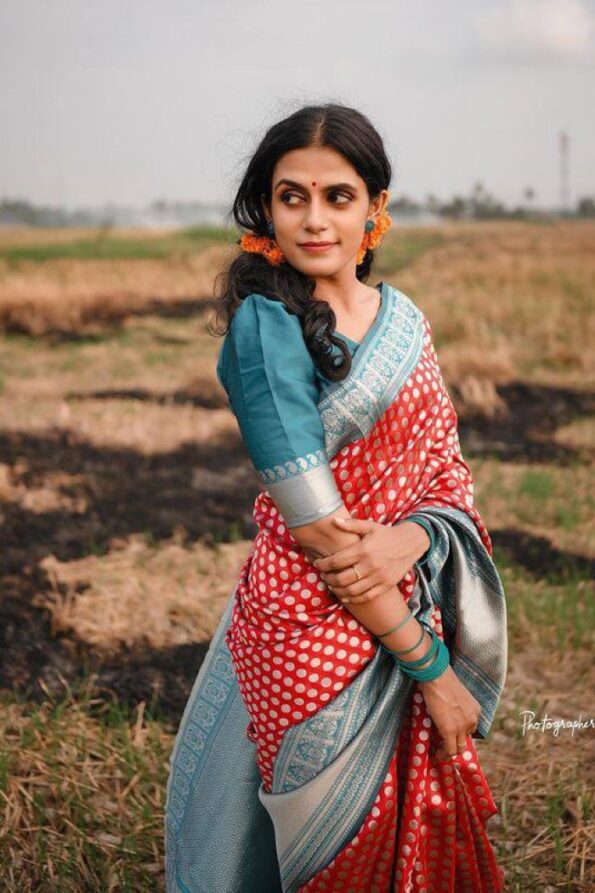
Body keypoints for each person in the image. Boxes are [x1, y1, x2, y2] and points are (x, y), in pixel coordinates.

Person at [164, 102, 508, 893]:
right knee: (334, 858)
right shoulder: (264, 327)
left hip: (406, 592)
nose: (314, 219)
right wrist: (433, 671)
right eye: (292, 197)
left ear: (374, 208)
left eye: (337, 196)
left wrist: (411, 537)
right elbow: (320, 534)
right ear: (267, 210)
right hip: (308, 634)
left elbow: (446, 476)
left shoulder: (404, 322)